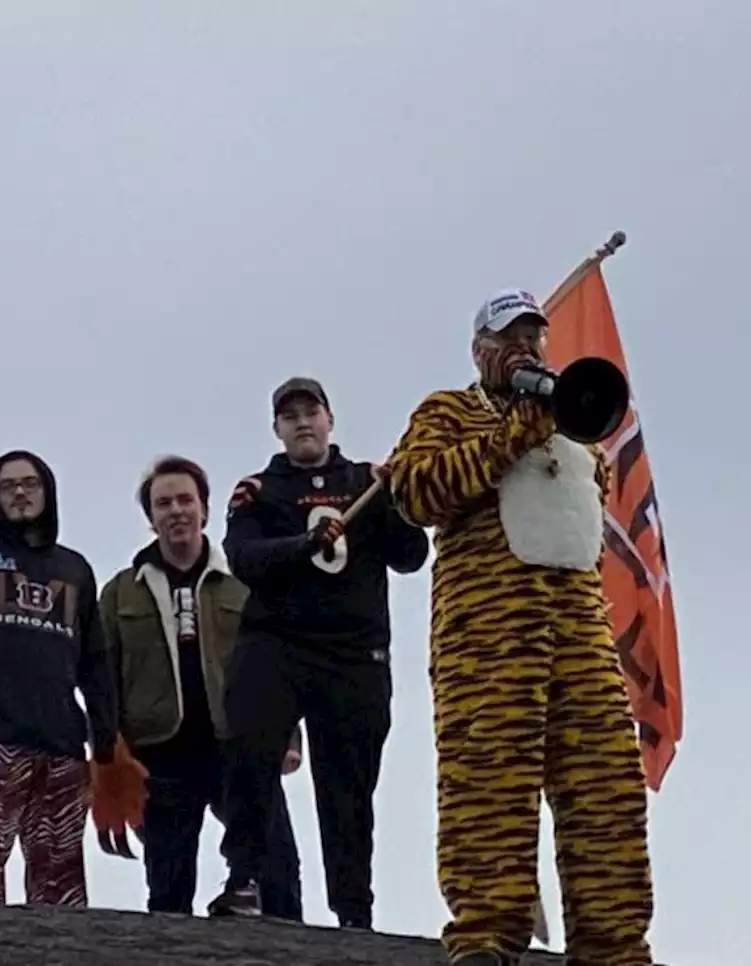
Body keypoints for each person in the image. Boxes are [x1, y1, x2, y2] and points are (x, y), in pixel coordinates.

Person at [382, 289, 657, 966]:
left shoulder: (574, 425)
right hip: (489, 634)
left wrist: (547, 420)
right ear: (481, 351)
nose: (527, 349)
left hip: (578, 627)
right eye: (511, 338)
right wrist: (512, 435)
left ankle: (613, 942)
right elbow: (415, 492)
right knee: (489, 779)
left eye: (535, 337)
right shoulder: (447, 411)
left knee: (606, 784)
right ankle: (485, 934)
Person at [210, 377, 431, 929]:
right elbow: (243, 558)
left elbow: (411, 556)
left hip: (353, 654)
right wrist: (303, 545)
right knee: (249, 753)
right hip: (278, 644)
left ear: (330, 420)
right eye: (290, 417)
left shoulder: (365, 483)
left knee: (348, 782)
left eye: (311, 413)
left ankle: (354, 908)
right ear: (277, 429)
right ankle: (244, 878)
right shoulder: (258, 490)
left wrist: (398, 501)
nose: (302, 423)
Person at [97, 454, 304, 920]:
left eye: (185, 500)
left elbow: (280, 662)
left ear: (204, 510)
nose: (176, 511)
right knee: (168, 890)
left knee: (277, 873)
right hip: (159, 754)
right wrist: (108, 752)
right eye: (163, 503)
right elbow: (101, 675)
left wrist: (289, 737)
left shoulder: (243, 582)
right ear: (151, 519)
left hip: (240, 744)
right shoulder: (120, 592)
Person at [0, 449, 119, 907]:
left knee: (61, 886)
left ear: (48, 492)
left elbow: (95, 659)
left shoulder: (74, 568)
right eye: (7, 485)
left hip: (63, 748)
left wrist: (105, 737)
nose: (19, 493)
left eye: (29, 483)